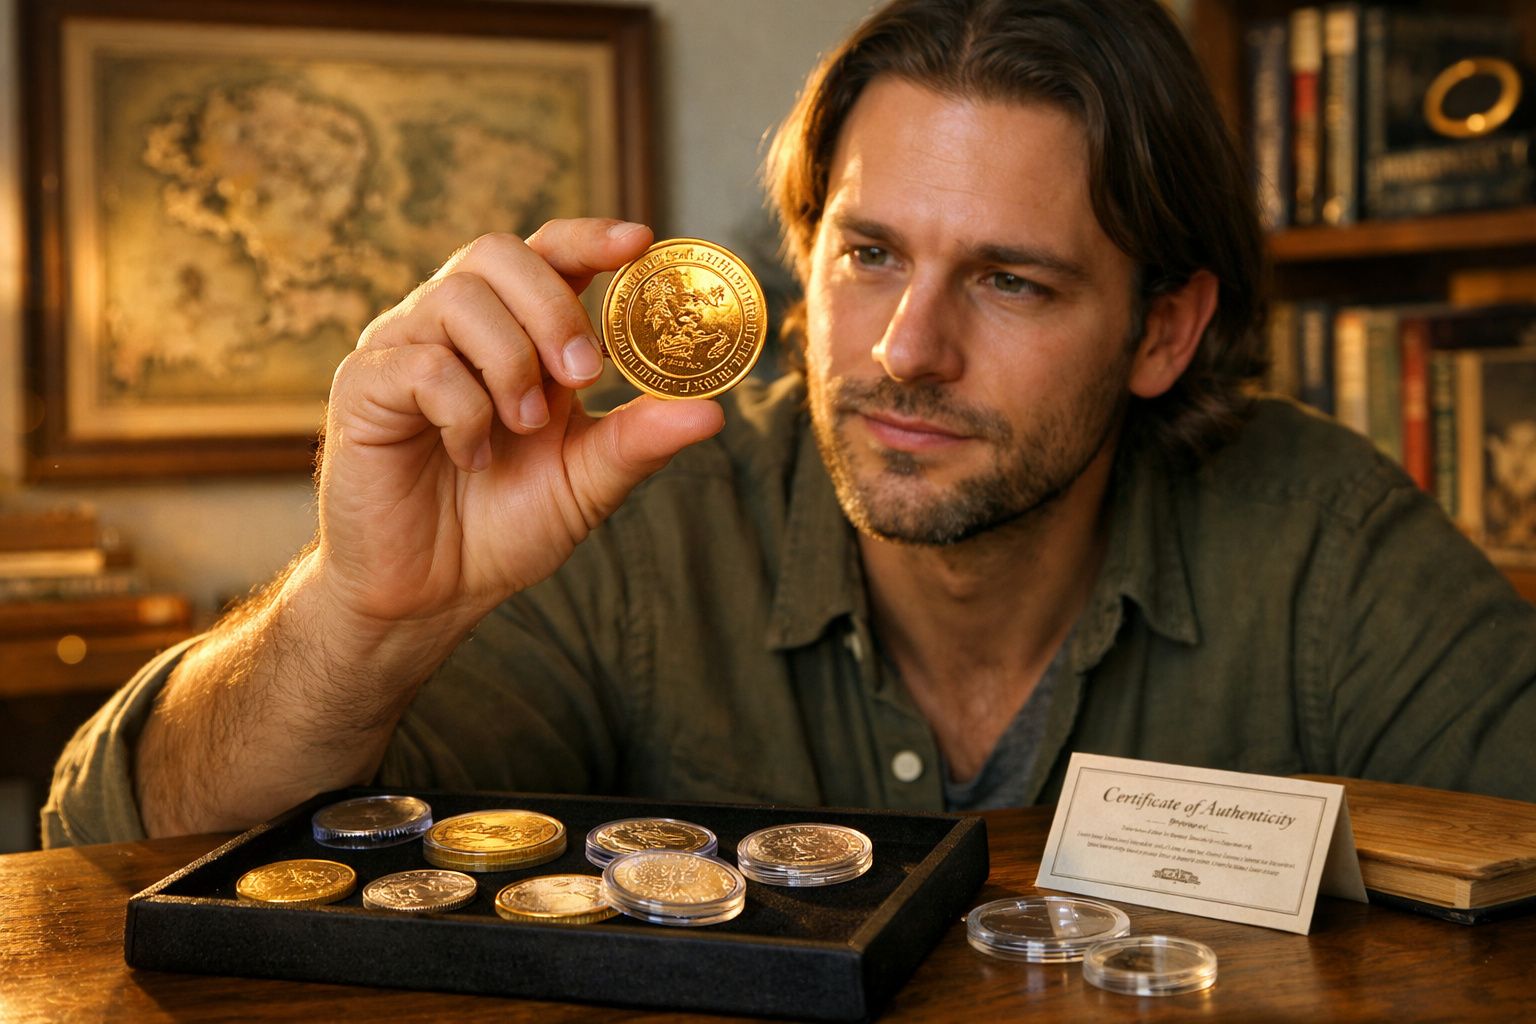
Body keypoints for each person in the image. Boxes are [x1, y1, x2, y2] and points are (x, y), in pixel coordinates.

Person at [44, 0, 1536, 846]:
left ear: (1163, 329)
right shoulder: (642, 519)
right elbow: (108, 851)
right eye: (868, 254)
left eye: (1010, 282)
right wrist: (361, 609)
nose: (904, 350)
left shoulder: (1325, 539)